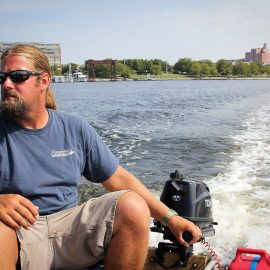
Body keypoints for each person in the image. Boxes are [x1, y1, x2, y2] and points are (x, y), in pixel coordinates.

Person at [0, 44, 202, 270]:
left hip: (71, 232)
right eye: (2, 77)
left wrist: (171, 218)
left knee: (132, 206)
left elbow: (119, 179)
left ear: (44, 81)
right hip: (20, 236)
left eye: (18, 76)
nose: (7, 84)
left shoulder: (74, 128)